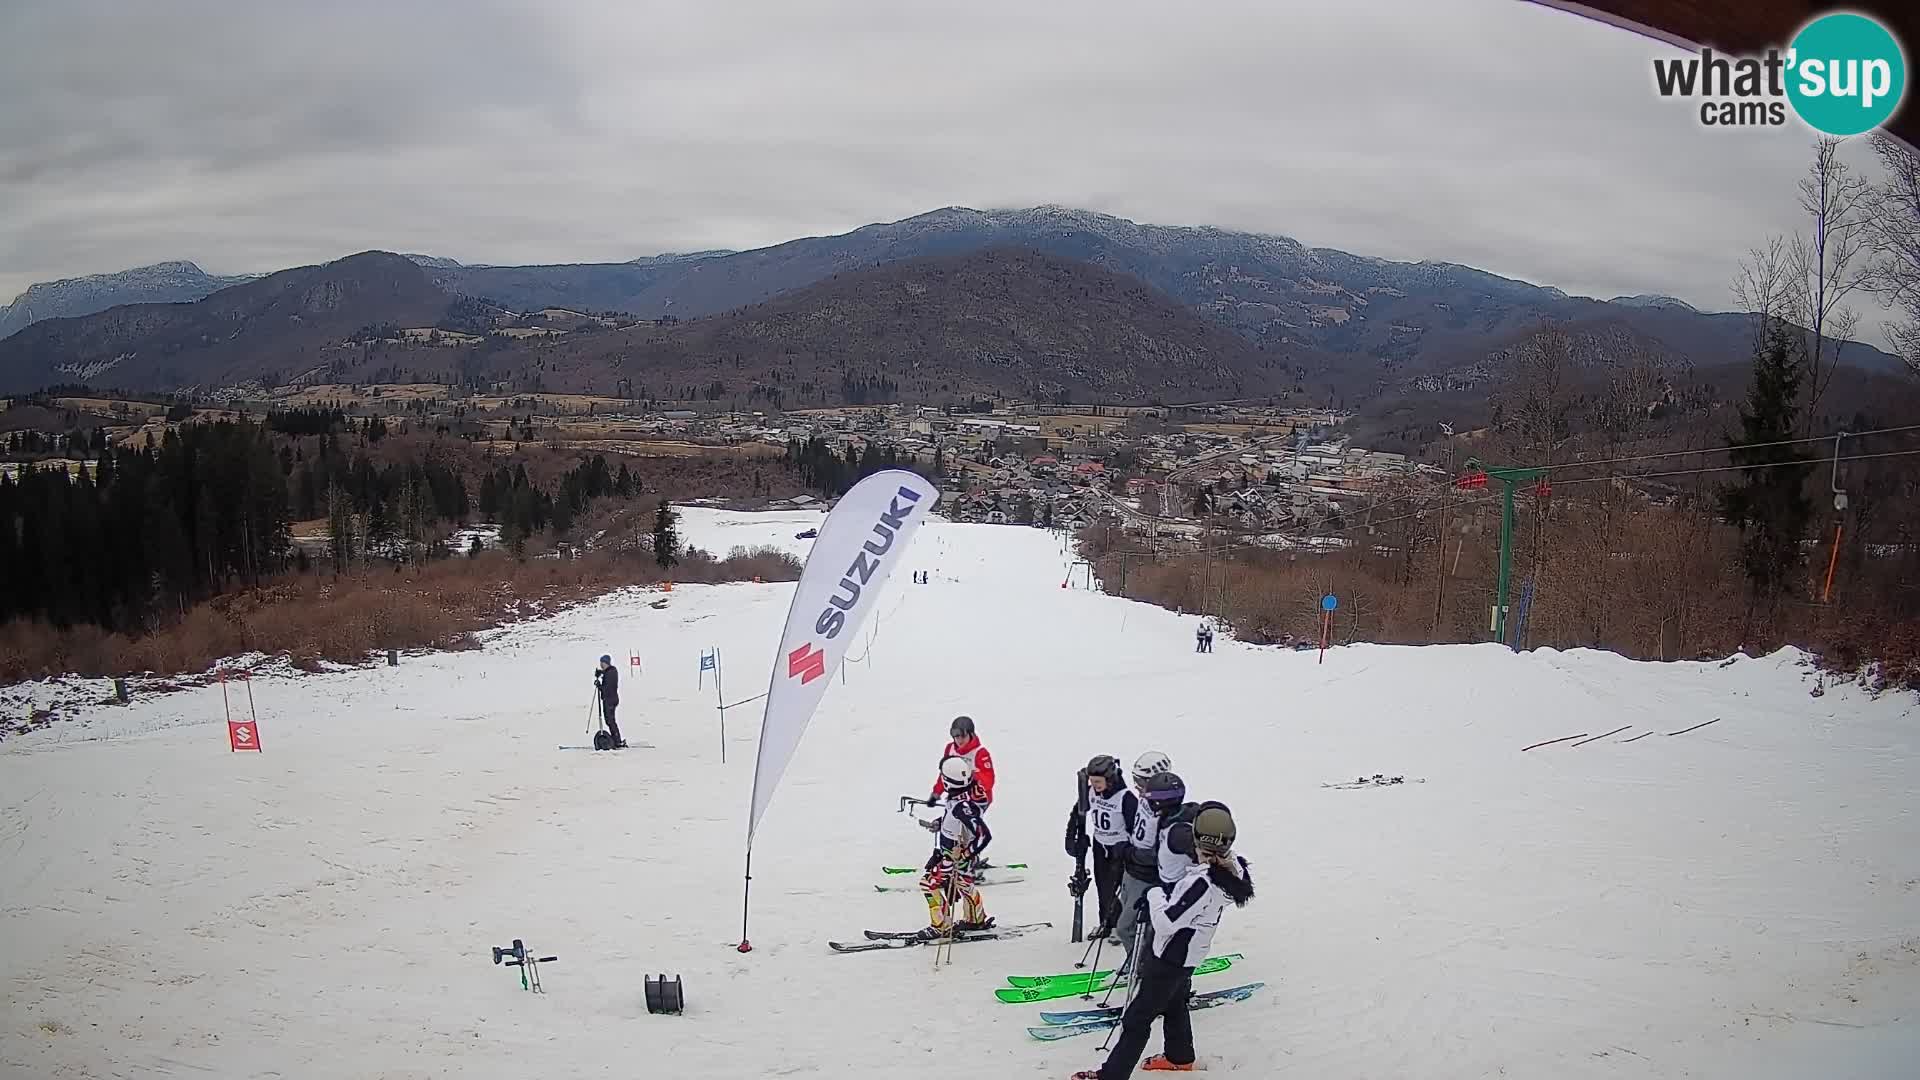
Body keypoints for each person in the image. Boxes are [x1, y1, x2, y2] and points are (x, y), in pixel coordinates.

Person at [1073, 803, 1253, 1078]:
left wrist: (1155, 895)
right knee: (1175, 1001)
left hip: (1171, 955)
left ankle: (1111, 1075)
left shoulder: (1202, 883)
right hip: (1190, 953)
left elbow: (1167, 921)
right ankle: (1179, 1057)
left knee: (1137, 1017)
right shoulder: (1233, 869)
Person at [916, 755, 994, 941]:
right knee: (964, 884)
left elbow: (984, 834)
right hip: (954, 856)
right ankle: (975, 918)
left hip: (952, 858)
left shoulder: (962, 805)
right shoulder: (958, 800)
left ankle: (941, 925)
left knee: (928, 884)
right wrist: (939, 824)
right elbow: (955, 822)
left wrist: (965, 854)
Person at [1065, 754, 1136, 942]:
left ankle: (1122, 926)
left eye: (1098, 781)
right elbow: (1078, 811)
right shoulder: (1090, 791)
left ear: (1110, 779)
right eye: (1092, 781)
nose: (1095, 785)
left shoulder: (1125, 798)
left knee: (1119, 888)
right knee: (1102, 887)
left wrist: (1129, 850)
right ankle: (1106, 923)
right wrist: (1072, 838)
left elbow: (1134, 828)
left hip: (1119, 848)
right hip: (1100, 845)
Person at [1113, 751, 1173, 974]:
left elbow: (1160, 853)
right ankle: (1136, 960)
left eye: (1141, 781)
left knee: (1126, 928)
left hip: (1146, 876)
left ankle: (1142, 967)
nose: (1136, 786)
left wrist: (1129, 853)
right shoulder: (1145, 800)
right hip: (1132, 872)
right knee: (1125, 920)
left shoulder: (1164, 809)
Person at [928, 715, 995, 810]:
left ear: (971, 734)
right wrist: (936, 793)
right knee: (953, 816)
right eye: (956, 737)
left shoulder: (980, 753)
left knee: (962, 818)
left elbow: (989, 781)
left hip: (978, 799)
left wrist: (972, 775)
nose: (959, 740)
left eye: (963, 736)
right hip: (957, 795)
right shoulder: (950, 748)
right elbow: (946, 774)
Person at [593, 655, 626, 749]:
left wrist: (599, 686)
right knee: (609, 721)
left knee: (610, 721)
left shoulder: (611, 673)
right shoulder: (610, 671)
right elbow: (606, 673)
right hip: (610, 699)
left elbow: (608, 688)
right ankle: (616, 740)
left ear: (606, 663)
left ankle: (617, 741)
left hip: (610, 700)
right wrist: (600, 673)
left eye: (602, 663)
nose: (601, 665)